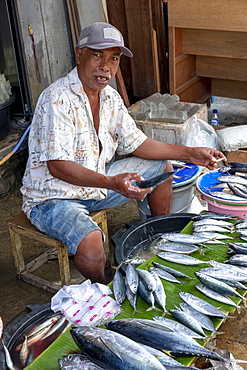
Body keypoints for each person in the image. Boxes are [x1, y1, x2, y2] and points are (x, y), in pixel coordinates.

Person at [21, 22, 225, 285]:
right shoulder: (56, 99)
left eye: (113, 58)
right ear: (79, 54)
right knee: (93, 248)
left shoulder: (111, 98)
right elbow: (58, 167)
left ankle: (157, 239)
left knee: (162, 167)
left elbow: (138, 143)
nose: (106, 66)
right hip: (53, 196)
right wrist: (110, 182)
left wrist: (189, 153)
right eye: (97, 56)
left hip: (95, 183)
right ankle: (107, 288)